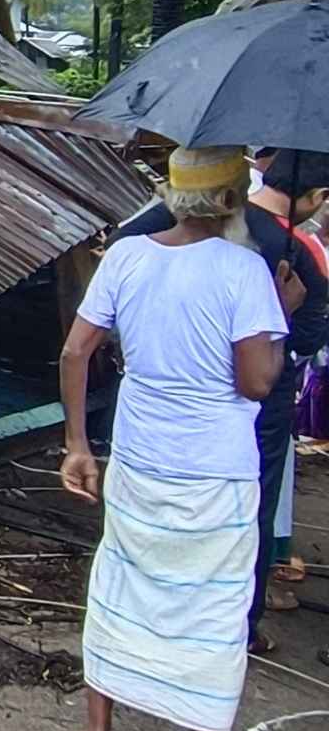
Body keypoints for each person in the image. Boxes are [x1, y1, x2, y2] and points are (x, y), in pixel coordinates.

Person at [61, 145, 305, 731]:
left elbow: (76, 350)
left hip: (138, 458)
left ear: (173, 195)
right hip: (215, 472)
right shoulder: (246, 270)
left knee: (121, 588)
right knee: (215, 612)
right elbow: (255, 381)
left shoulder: (129, 256)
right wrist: (280, 313)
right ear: (232, 202)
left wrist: (79, 445)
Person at [116, 148, 329, 653]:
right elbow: (291, 348)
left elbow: (85, 335)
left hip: (165, 398)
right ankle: (238, 627)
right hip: (255, 406)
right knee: (247, 515)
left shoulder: (151, 229)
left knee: (162, 506)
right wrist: (281, 311)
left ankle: (151, 614)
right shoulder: (289, 252)